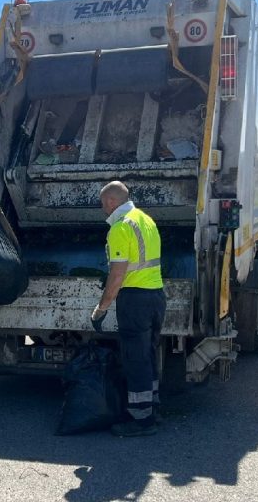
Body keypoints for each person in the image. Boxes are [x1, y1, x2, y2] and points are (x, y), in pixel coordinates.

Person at [91, 181, 166, 437]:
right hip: (156, 295)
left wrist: (101, 308)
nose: (103, 208)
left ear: (111, 201)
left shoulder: (120, 227)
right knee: (148, 355)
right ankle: (152, 408)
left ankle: (141, 420)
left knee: (135, 359)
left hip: (134, 300)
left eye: (103, 204)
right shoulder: (146, 220)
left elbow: (117, 275)